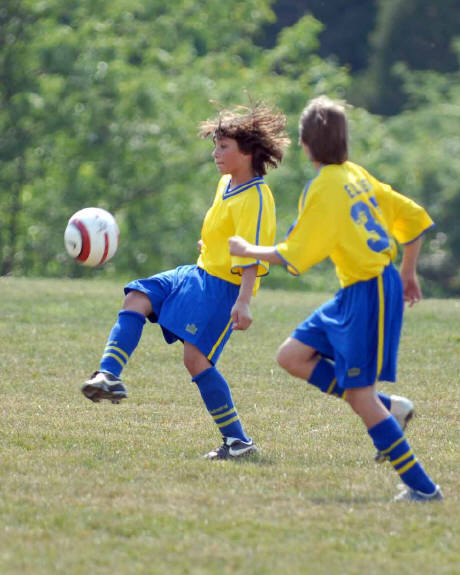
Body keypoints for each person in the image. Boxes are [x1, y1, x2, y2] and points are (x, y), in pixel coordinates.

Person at [229, 95, 442, 501]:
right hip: (358, 290)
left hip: (370, 291)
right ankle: (390, 408)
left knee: (360, 396)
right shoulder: (355, 174)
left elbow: (295, 254)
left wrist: (246, 249)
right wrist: (407, 272)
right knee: (292, 356)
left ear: (305, 143)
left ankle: (423, 488)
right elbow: (414, 219)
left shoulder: (324, 187)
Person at [81, 101, 290, 460]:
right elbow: (223, 232)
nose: (215, 153)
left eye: (223, 146)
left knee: (195, 360)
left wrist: (243, 302)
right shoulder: (225, 182)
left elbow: (252, 254)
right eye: (215, 145)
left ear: (247, 153)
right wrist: (209, 245)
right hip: (197, 272)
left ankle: (237, 442)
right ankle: (108, 375)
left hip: (223, 288)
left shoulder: (257, 197)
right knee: (136, 297)